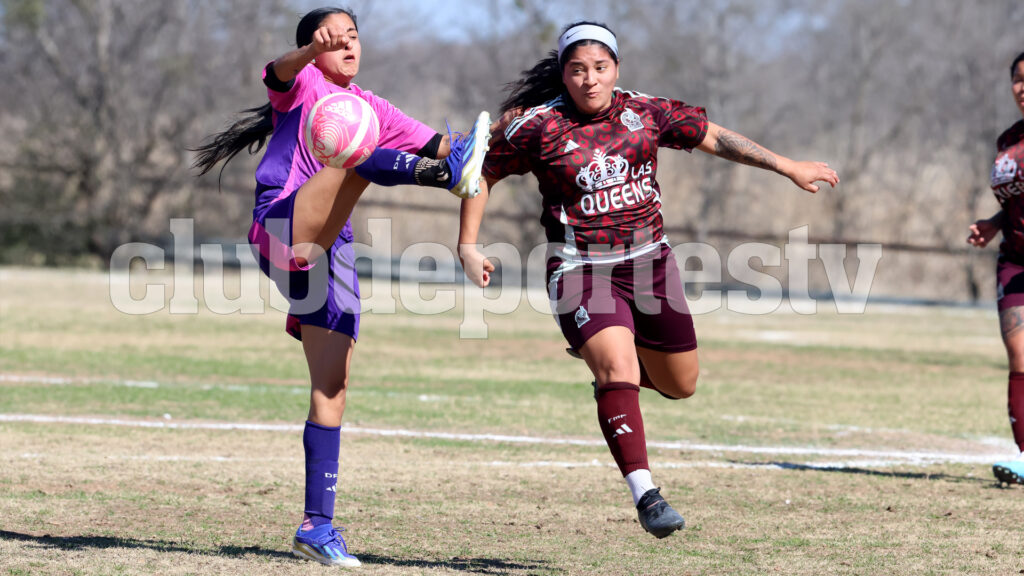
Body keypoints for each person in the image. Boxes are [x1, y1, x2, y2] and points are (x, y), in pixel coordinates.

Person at [459, 21, 839, 538]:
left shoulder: (647, 111)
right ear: (564, 75)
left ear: (616, 69)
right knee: (615, 366)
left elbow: (713, 138)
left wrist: (786, 165)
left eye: (599, 68)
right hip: (579, 268)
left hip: (651, 266)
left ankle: (605, 353)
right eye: (577, 70)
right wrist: (468, 242)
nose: (589, 79)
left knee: (680, 386)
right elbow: (479, 171)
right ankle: (647, 494)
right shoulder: (537, 126)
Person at [192, 7, 490, 567]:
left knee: (332, 385)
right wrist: (307, 52)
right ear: (314, 46)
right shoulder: (302, 81)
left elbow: (446, 148)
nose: (349, 45)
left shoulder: (376, 108)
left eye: (355, 37)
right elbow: (275, 73)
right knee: (357, 151)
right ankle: (435, 183)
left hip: (332, 251)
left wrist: (483, 145)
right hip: (282, 223)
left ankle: (317, 527)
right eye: (336, 38)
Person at [967, 50, 1024, 487]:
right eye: (1018, 79)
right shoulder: (1008, 140)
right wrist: (994, 222)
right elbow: (1015, 202)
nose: (1023, 87)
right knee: (1020, 353)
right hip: (1016, 258)